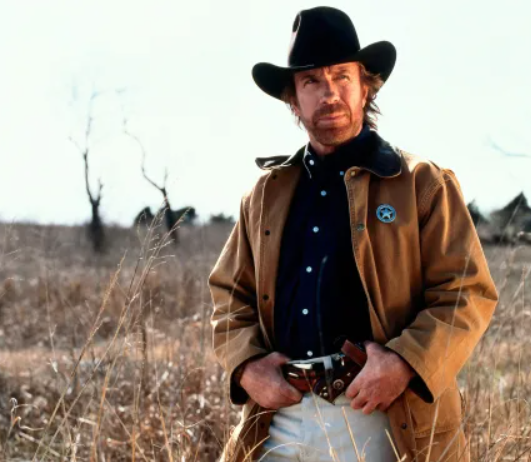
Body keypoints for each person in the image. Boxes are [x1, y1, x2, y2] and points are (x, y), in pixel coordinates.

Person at [209, 6, 498, 462]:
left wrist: (403, 362)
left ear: (366, 86)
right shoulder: (264, 194)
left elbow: (467, 292)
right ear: (293, 98)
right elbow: (229, 296)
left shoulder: (422, 184)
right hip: (277, 420)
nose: (329, 93)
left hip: (383, 414)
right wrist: (246, 366)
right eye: (311, 81)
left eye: (341, 76)